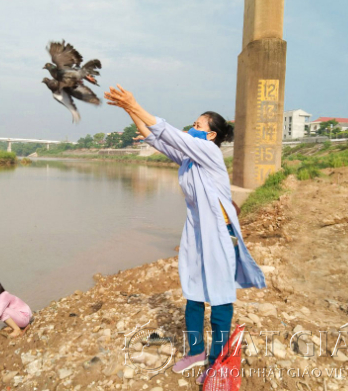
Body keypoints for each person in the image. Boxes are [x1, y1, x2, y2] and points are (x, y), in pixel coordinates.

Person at [105, 85, 266, 385]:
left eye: (197, 125)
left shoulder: (207, 152)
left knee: (218, 298)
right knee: (192, 293)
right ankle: (195, 351)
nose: (192, 129)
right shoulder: (189, 158)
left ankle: (217, 359)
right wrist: (128, 109)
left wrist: (135, 102)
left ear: (211, 135)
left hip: (216, 233)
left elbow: (167, 132)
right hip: (194, 233)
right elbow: (157, 137)